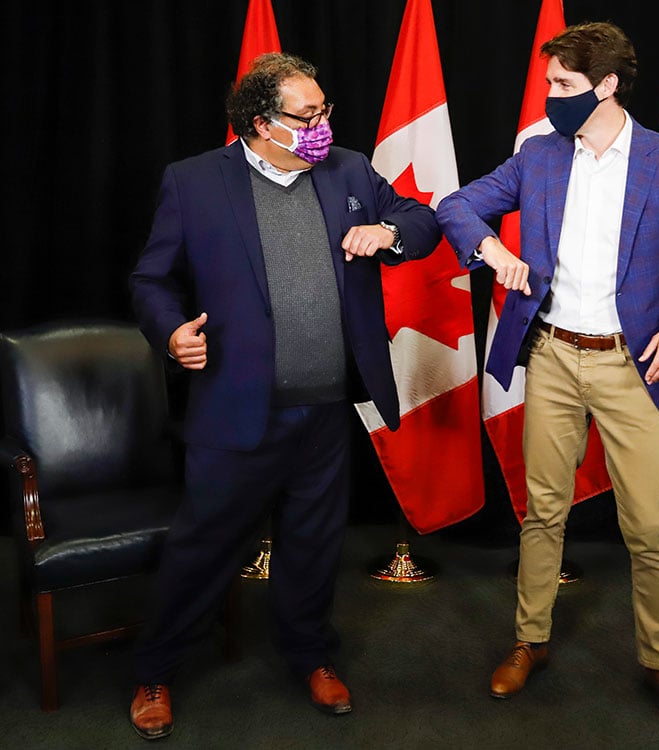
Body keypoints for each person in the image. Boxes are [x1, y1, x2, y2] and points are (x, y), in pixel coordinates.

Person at [127, 52, 440, 740]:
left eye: (325, 110)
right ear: (261, 124)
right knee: (203, 547)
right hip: (236, 409)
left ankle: (309, 655)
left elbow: (423, 220)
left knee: (313, 545)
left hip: (325, 409)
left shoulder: (350, 170)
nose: (324, 123)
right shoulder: (195, 183)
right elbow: (151, 280)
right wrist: (172, 330)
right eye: (309, 115)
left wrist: (388, 231)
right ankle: (156, 669)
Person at [436, 22, 659, 733]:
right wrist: (492, 248)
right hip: (556, 356)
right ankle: (528, 641)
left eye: (562, 85)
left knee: (649, 528)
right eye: (548, 84)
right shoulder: (537, 156)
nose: (549, 96)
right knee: (542, 510)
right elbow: (456, 205)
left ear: (606, 86)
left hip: (636, 365)